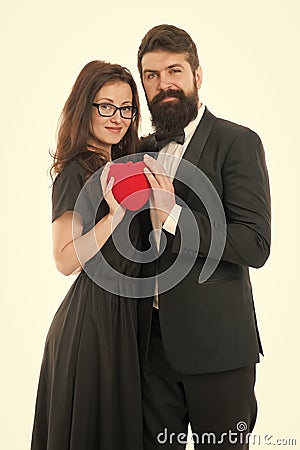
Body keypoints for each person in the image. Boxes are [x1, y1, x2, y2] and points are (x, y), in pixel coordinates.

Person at [137, 24, 271, 449]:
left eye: (174, 71)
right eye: (152, 76)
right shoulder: (139, 150)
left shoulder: (238, 141)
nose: (164, 85)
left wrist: (174, 215)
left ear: (197, 75)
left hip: (219, 353)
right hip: (150, 350)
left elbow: (254, 243)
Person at [31, 60, 144, 450]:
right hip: (93, 323)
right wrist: (113, 217)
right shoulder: (75, 172)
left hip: (124, 318)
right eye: (106, 106)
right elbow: (63, 259)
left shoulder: (121, 166)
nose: (118, 118)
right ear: (86, 108)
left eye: (127, 107)